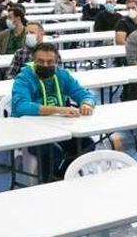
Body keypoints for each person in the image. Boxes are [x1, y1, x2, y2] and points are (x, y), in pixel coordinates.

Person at [10, 42, 97, 176]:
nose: (45, 65)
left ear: (56, 62)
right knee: (52, 152)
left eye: (50, 62)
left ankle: (61, 177)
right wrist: (58, 109)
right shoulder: (23, 78)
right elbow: (20, 106)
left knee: (87, 145)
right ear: (33, 60)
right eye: (41, 61)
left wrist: (87, 103)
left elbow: (84, 93)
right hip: (29, 131)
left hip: (59, 127)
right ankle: (47, 184)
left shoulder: (62, 75)